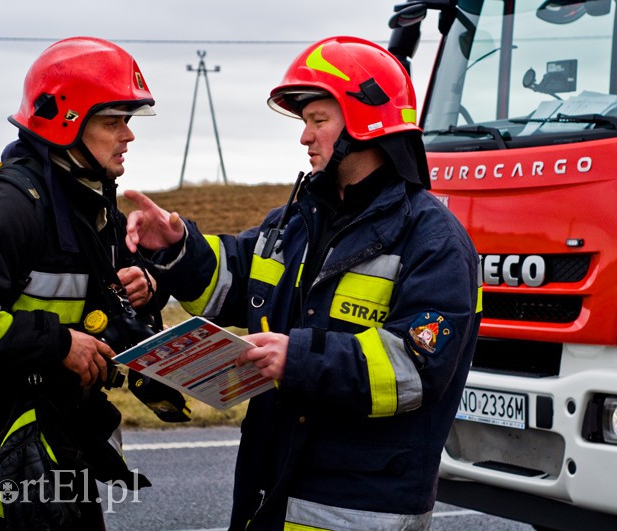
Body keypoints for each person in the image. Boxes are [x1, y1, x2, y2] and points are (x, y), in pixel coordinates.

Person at [125, 36, 483, 530]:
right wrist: (177, 246)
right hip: (269, 488)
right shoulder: (293, 222)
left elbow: (417, 371)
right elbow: (231, 282)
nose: (305, 137)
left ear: (366, 125)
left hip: (359, 505)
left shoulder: (433, 240)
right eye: (304, 123)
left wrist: (298, 358)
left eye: (319, 121)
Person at [0, 36, 164, 530]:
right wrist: (58, 344)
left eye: (128, 120)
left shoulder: (87, 207)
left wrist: (140, 289)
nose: (127, 135)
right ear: (65, 123)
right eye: (113, 121)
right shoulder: (8, 206)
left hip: (53, 452)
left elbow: (89, 309)